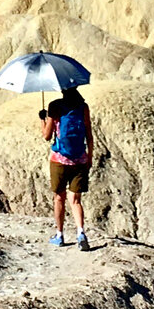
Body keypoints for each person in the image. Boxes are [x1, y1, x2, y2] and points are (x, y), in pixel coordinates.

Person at [39, 88, 92, 248]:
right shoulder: (83, 107)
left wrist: (42, 119)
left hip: (59, 160)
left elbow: (47, 136)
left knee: (59, 198)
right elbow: (89, 134)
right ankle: (81, 233)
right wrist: (89, 157)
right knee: (75, 200)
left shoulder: (54, 106)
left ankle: (60, 235)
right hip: (80, 159)